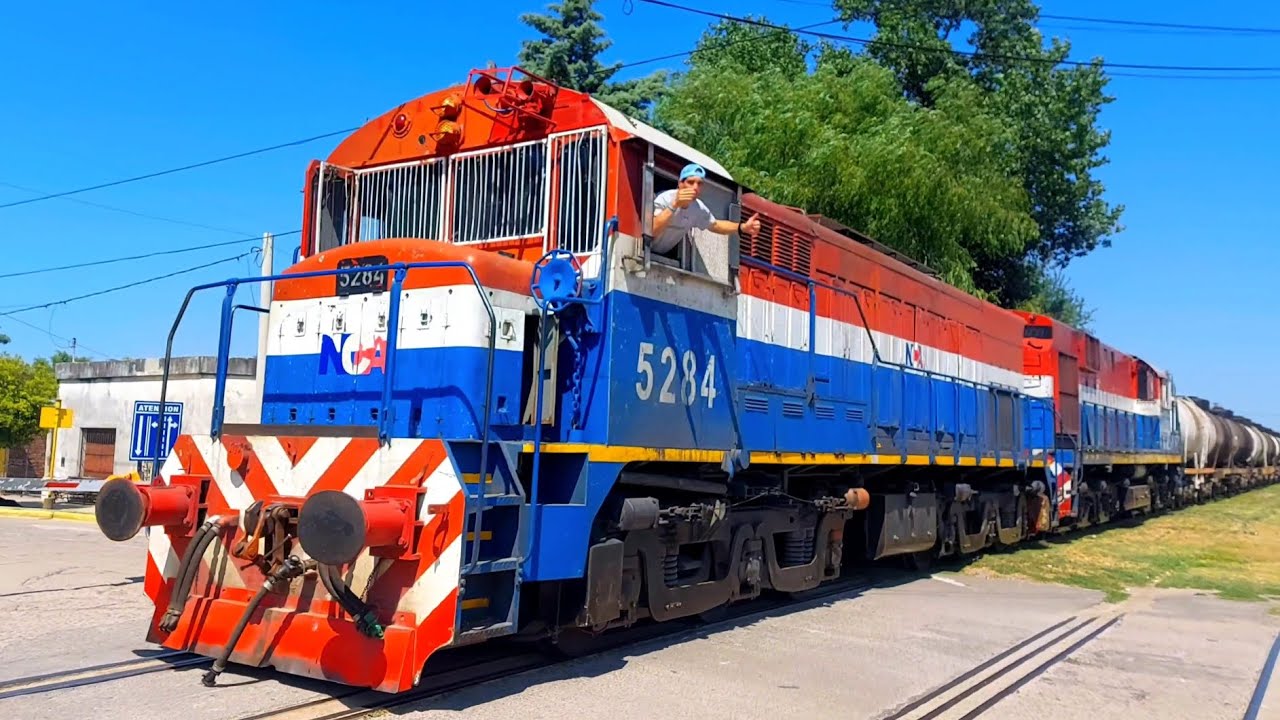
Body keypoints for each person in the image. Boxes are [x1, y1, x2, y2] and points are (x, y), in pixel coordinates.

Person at [651, 163, 761, 256]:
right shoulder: (665, 198)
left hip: (663, 255)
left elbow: (715, 225)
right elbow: (652, 230)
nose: (695, 187)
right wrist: (674, 204)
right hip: (644, 250)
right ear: (680, 183)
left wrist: (742, 227)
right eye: (690, 182)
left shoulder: (698, 208)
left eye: (699, 184)